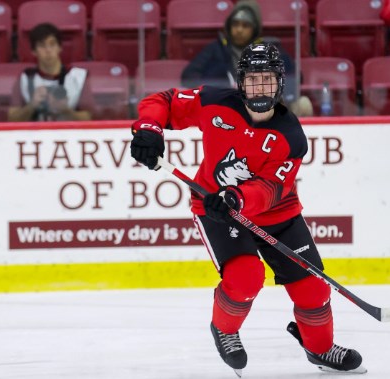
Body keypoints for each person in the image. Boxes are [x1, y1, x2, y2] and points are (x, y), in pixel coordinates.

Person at [130, 42, 366, 376]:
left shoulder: (291, 136)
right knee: (245, 277)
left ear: (279, 84)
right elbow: (163, 101)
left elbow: (271, 188)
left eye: (266, 79)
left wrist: (237, 197)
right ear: (240, 82)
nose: (259, 87)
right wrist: (150, 129)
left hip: (276, 214)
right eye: (252, 79)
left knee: (313, 287)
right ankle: (225, 329)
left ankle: (320, 349)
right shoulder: (215, 103)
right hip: (217, 211)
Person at [181, 0, 313, 117]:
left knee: (303, 104)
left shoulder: (267, 48)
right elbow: (188, 77)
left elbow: (295, 77)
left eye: (245, 26)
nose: (239, 30)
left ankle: (293, 142)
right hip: (226, 107)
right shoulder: (216, 49)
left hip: (265, 107)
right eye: (235, 24)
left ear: (254, 28)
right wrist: (220, 89)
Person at [8, 23, 93, 122]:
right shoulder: (25, 78)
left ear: (59, 47)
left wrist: (65, 110)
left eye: (52, 44)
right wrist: (32, 105)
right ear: (34, 51)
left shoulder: (77, 77)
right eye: (42, 45)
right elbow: (12, 119)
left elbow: (89, 118)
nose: (48, 50)